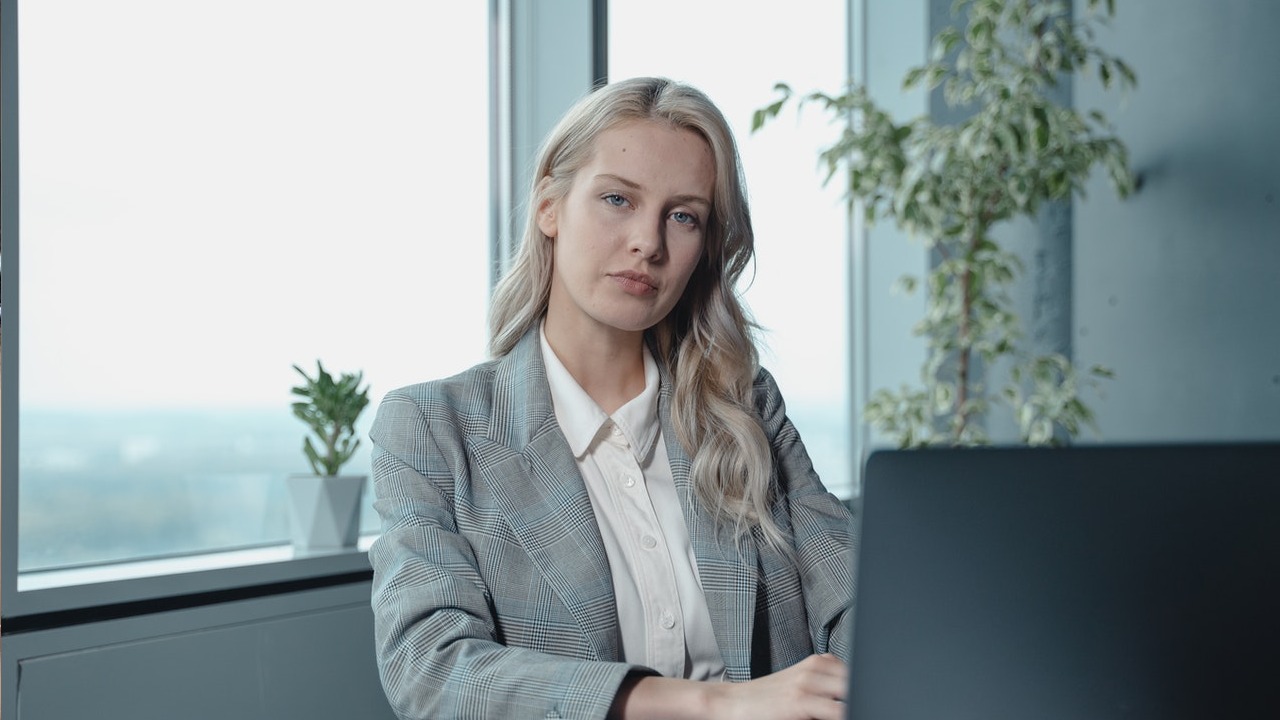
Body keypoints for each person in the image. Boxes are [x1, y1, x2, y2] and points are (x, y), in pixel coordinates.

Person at [369, 76, 856, 720]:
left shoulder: (746, 407)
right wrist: (716, 704)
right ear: (550, 207)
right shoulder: (433, 429)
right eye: (618, 199)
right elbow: (433, 671)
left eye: (683, 216)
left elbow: (856, 600)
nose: (648, 243)